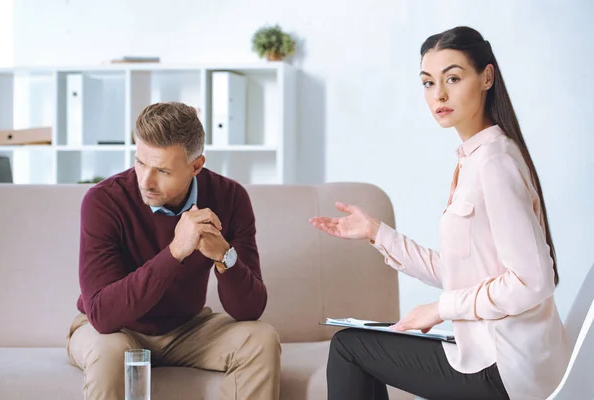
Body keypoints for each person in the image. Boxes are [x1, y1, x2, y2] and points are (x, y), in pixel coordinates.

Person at [309, 26, 570, 400]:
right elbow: (466, 271)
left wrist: (440, 308)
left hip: (505, 369)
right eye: (428, 83)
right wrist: (377, 232)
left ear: (487, 78)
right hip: (489, 354)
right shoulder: (475, 159)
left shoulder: (494, 163)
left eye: (453, 78)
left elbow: (532, 281)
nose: (439, 94)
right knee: (355, 344)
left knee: (350, 348)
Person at [66, 102, 281, 400]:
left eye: (162, 170)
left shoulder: (230, 197)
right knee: (111, 352)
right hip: (114, 330)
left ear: (196, 166)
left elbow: (250, 310)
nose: (146, 180)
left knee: (262, 339)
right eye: (140, 162)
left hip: (186, 329)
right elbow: (103, 314)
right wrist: (175, 251)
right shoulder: (104, 201)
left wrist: (224, 256)